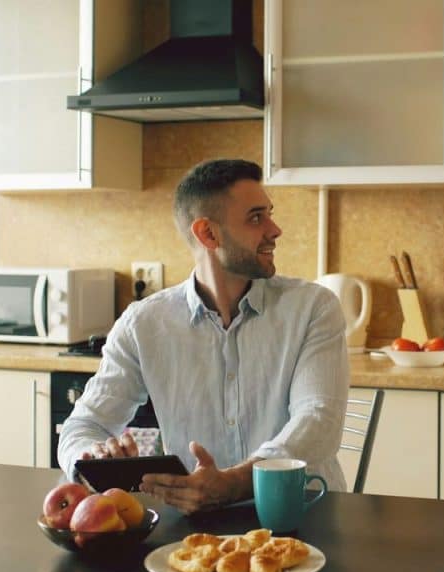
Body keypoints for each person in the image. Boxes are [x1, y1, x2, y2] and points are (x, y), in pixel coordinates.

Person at [58, 159, 350, 514]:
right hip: (195, 533)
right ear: (208, 234)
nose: (275, 230)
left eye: (269, 214)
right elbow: (84, 424)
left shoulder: (313, 308)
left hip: (304, 515)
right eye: (256, 218)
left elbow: (318, 420)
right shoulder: (144, 323)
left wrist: (237, 482)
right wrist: (92, 459)